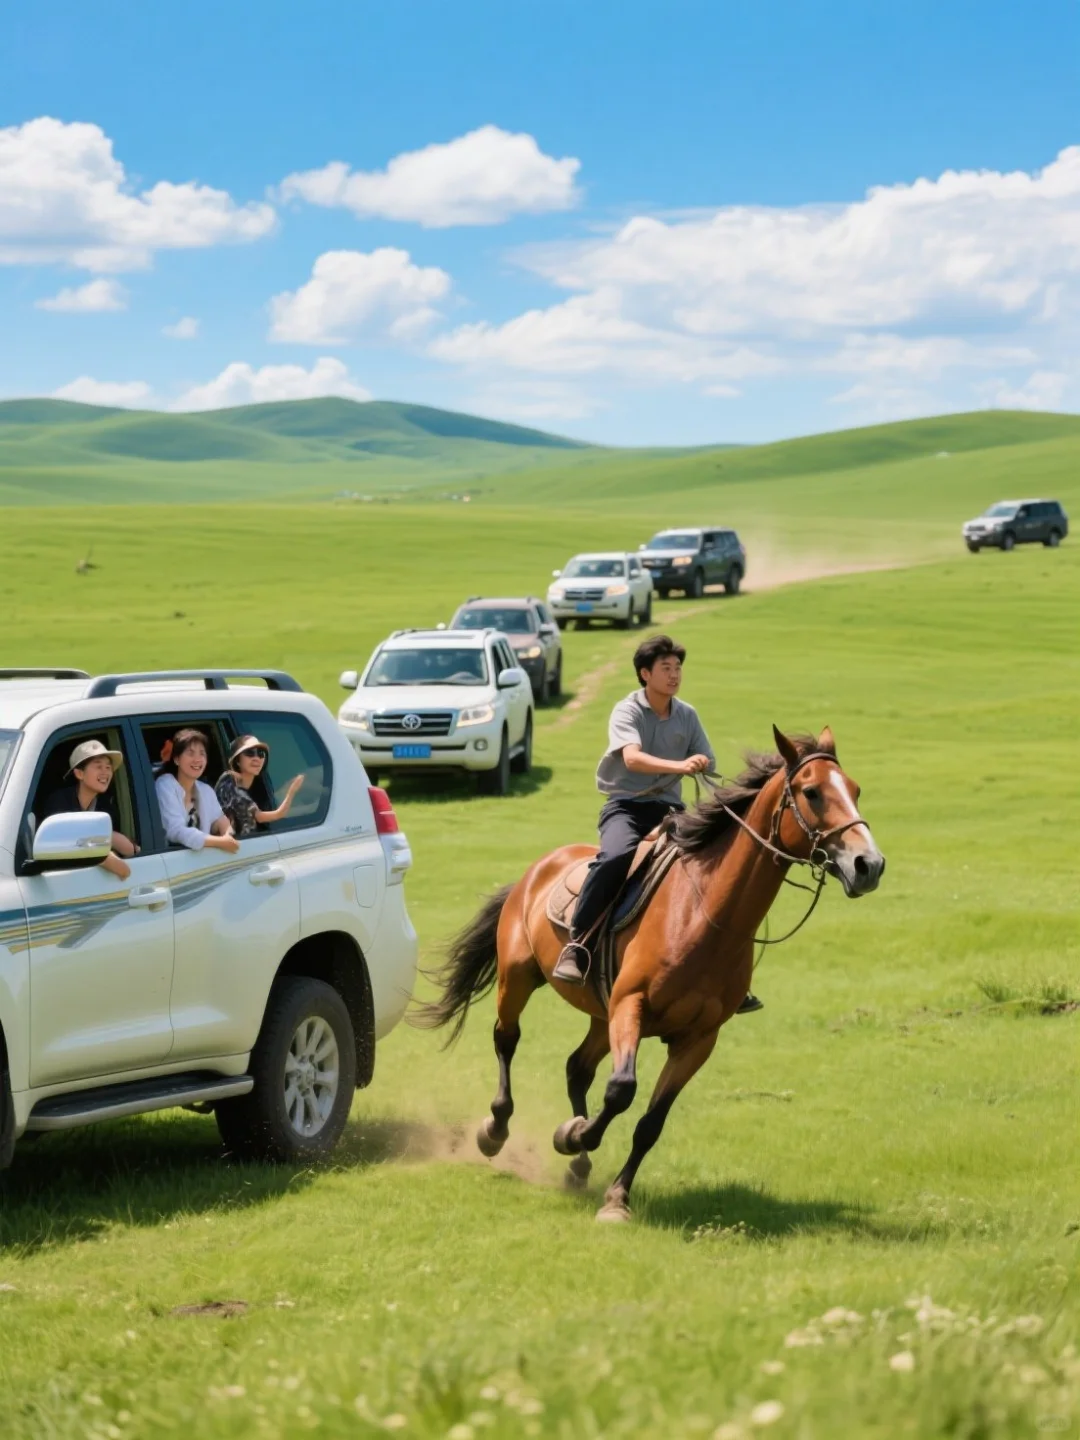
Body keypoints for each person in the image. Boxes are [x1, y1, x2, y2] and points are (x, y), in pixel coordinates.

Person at [553, 633, 763, 1013]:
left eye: (678, 667)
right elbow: (632, 759)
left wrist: (699, 761)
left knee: (716, 866)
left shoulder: (687, 714)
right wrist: (681, 765)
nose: (674, 674)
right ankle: (577, 944)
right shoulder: (627, 711)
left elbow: (707, 759)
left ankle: (729, 973)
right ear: (644, 674)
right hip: (626, 807)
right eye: (666, 668)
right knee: (616, 857)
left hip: (671, 811)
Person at [41, 738, 137, 882]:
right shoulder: (59, 802)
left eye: (108, 767)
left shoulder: (105, 806)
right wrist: (104, 854)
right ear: (79, 774)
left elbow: (129, 849)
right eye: (98, 766)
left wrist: (102, 837)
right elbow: (68, 844)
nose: (105, 772)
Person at [155, 728, 240, 854]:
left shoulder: (206, 790)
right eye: (190, 753)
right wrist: (220, 842)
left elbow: (219, 820)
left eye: (202, 753)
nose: (197, 759)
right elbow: (175, 831)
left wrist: (228, 833)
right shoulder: (165, 784)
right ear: (176, 759)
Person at [216, 734, 304, 838]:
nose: (256, 758)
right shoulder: (228, 781)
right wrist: (292, 792)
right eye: (250, 753)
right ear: (237, 760)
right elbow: (274, 815)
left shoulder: (254, 789)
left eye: (261, 753)